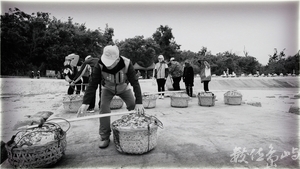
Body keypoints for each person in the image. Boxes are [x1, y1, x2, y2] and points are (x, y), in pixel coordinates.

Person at [77, 45, 145, 149]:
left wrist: (139, 102)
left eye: (110, 62)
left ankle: (138, 130)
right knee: (103, 108)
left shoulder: (127, 63)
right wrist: (85, 103)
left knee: (133, 106)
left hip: (123, 88)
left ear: (117, 59)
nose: (107, 65)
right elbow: (92, 84)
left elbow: (135, 83)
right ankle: (105, 137)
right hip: (107, 88)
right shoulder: (99, 64)